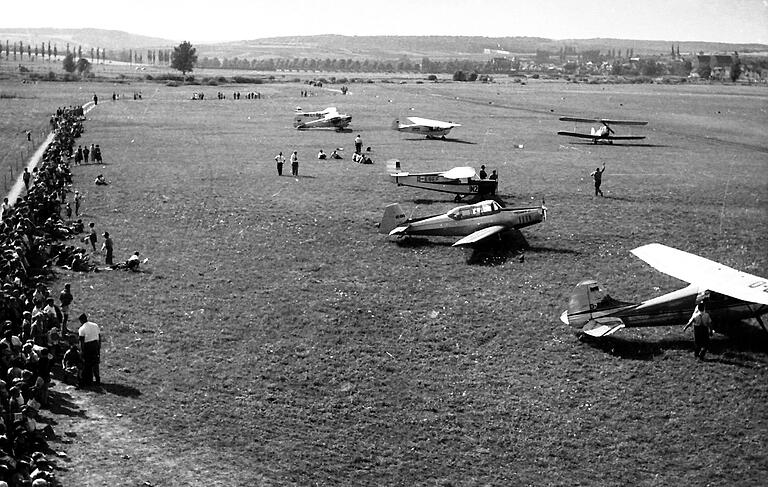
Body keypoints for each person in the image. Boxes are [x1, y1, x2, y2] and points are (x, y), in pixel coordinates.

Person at [77, 313, 101, 387]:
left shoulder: (82, 329)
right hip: (95, 345)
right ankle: (97, 379)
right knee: (95, 363)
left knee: (87, 364)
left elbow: (81, 342)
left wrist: (81, 351)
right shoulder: (95, 325)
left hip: (88, 346)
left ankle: (88, 380)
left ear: (81, 320)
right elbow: (99, 337)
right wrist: (99, 347)